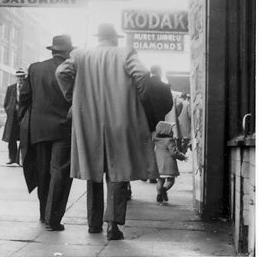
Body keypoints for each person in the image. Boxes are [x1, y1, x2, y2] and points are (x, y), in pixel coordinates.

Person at [55, 23, 157, 241]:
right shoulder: (125, 53)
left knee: (93, 172)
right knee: (118, 172)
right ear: (115, 38)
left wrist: (73, 96)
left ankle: (93, 223)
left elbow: (62, 72)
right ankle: (113, 225)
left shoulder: (81, 54)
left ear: (98, 37)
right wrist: (138, 97)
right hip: (120, 118)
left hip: (88, 118)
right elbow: (142, 73)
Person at [19, 35, 75, 231]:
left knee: (42, 172)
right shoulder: (73, 69)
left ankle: (44, 213)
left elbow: (24, 97)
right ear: (68, 51)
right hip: (64, 127)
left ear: (52, 50)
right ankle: (53, 218)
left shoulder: (35, 68)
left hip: (39, 128)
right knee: (60, 171)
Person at [153, 120, 187, 203]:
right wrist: (182, 157)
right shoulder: (170, 141)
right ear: (166, 131)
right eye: (171, 130)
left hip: (159, 164)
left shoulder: (156, 140)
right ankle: (164, 190)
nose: (172, 132)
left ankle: (159, 194)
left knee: (160, 180)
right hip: (169, 164)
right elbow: (173, 153)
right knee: (171, 180)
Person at [2, 68, 25, 165]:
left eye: (21, 76)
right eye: (18, 76)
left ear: (24, 77)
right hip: (13, 118)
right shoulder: (11, 88)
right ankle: (12, 158)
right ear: (16, 77)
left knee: (24, 139)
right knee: (11, 138)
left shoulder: (28, 88)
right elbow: (6, 102)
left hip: (24, 117)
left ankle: (22, 160)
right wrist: (10, 110)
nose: (20, 78)